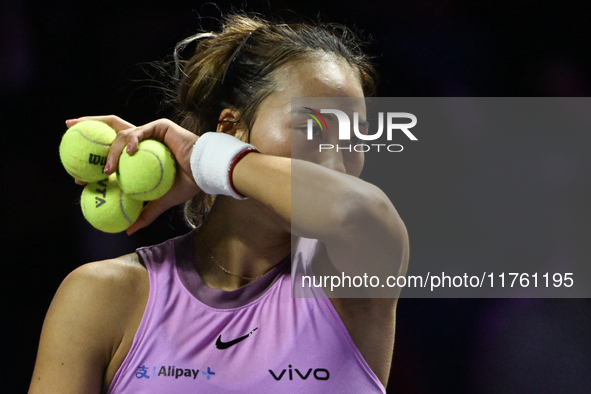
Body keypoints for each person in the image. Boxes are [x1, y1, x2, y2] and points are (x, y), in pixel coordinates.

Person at [29, 14, 408, 394]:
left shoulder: (353, 281)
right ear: (230, 128)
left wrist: (203, 157)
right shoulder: (101, 296)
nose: (337, 161)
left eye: (355, 137)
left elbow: (352, 211)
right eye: (311, 127)